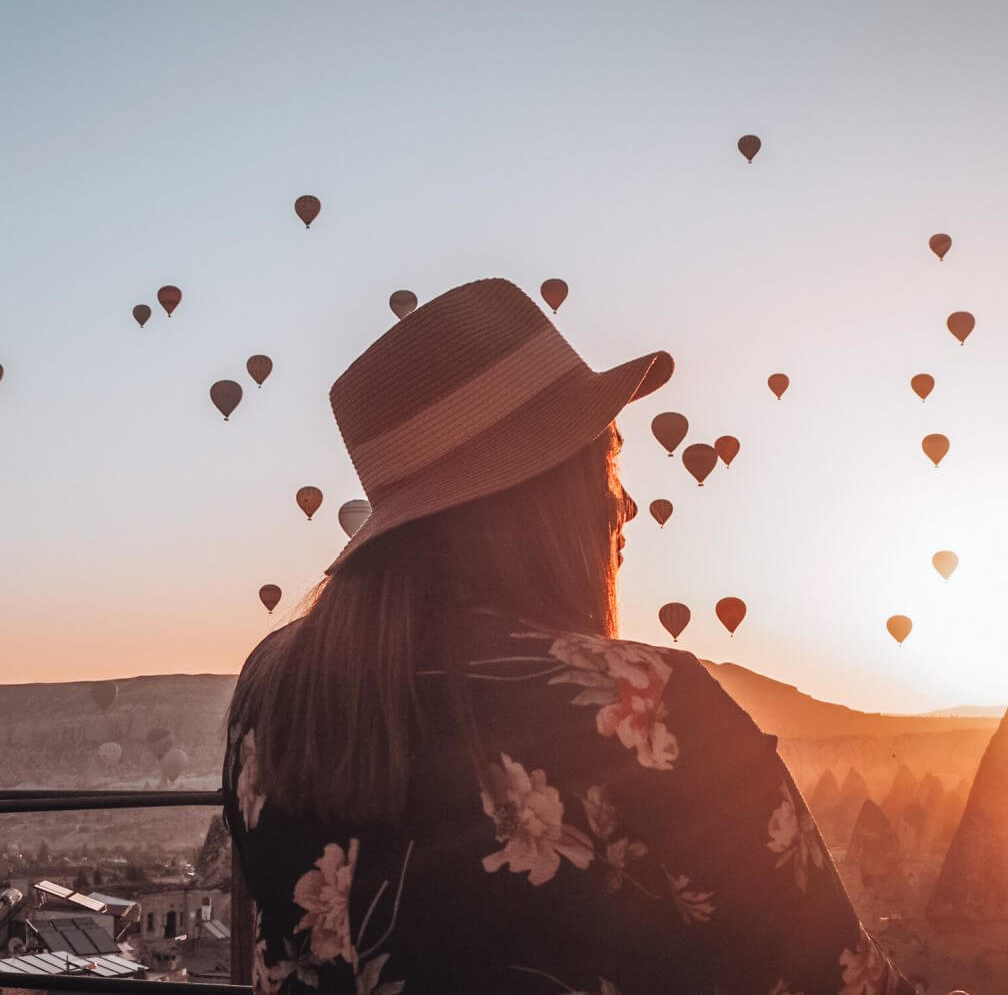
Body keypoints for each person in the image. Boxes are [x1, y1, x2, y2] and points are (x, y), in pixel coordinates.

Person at [223, 279, 916, 994]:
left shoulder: (270, 691)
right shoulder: (653, 702)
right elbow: (836, 978)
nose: (626, 504)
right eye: (609, 463)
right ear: (546, 492)